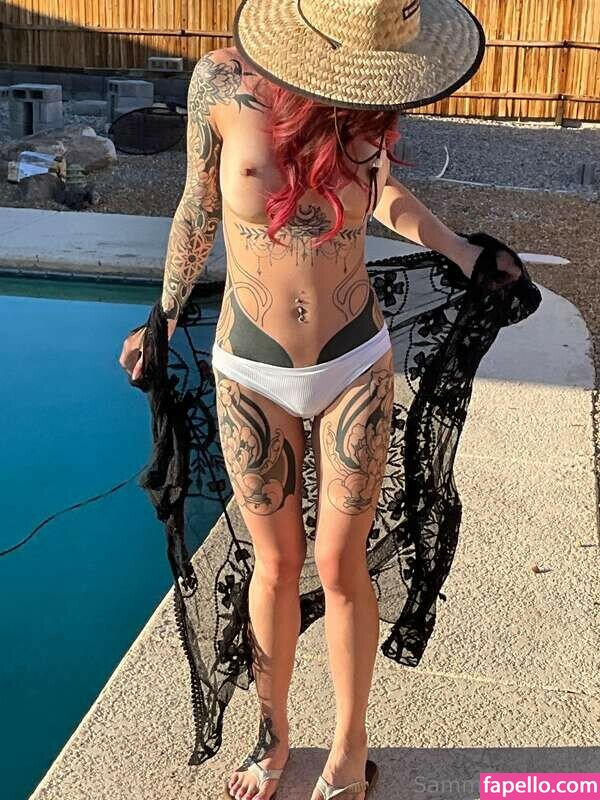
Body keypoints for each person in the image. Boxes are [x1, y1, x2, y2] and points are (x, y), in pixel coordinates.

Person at [119, 2, 532, 799]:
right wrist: (162, 318)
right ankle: (273, 736)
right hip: (252, 369)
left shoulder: (368, 99)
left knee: (342, 562)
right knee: (274, 564)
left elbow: (382, 193)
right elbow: (199, 205)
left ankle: (348, 744)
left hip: (353, 361)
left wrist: (460, 250)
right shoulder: (220, 83)